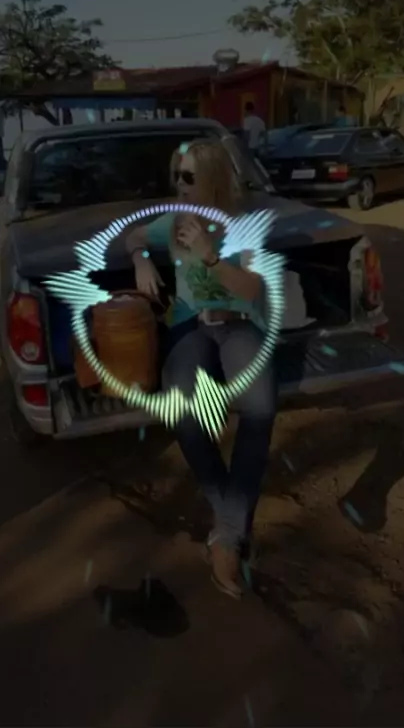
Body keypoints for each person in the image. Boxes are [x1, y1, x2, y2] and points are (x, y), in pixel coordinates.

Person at [125, 139, 277, 600]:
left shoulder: (245, 226)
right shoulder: (174, 220)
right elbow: (134, 236)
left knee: (259, 408)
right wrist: (140, 259)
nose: (180, 184)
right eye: (176, 175)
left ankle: (225, 536)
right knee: (184, 412)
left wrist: (211, 255)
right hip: (191, 326)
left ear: (212, 178)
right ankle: (231, 522)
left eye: (188, 176)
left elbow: (251, 290)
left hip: (239, 324)